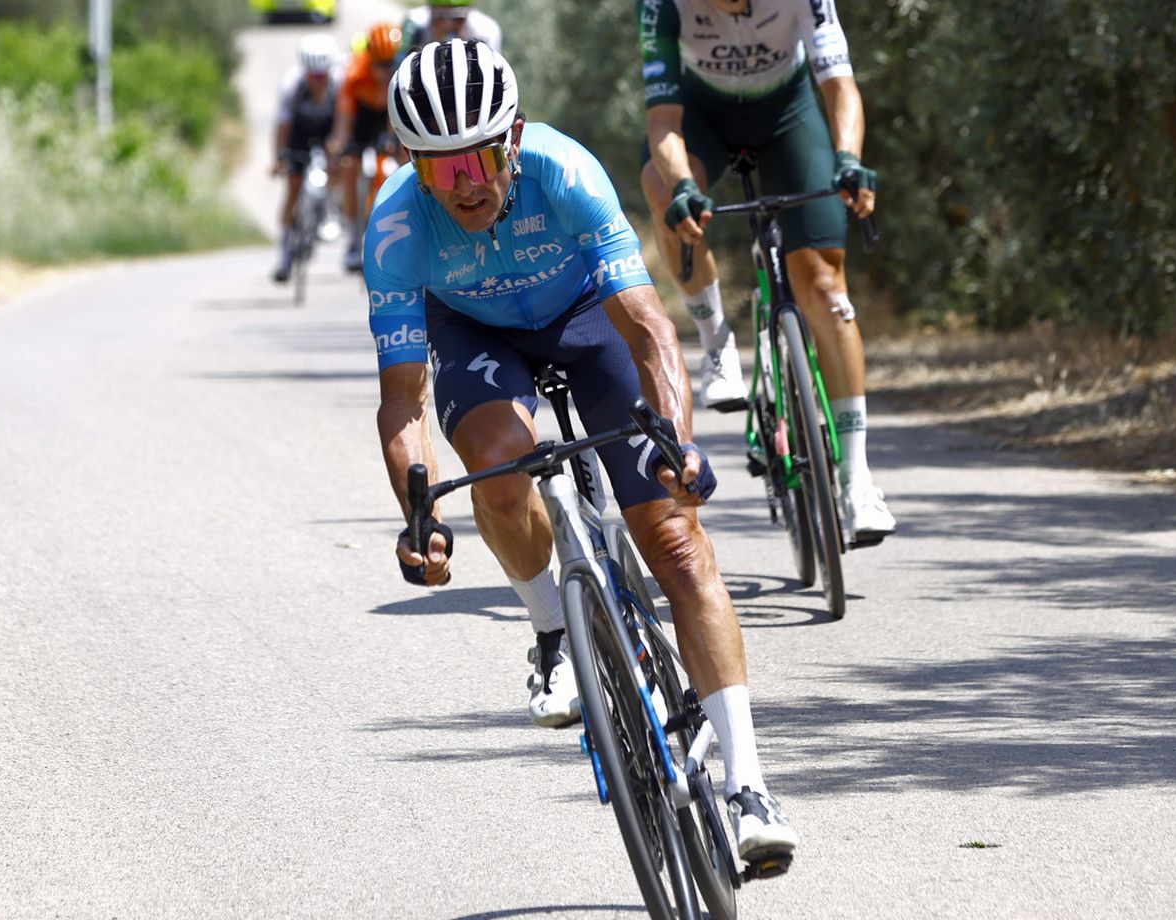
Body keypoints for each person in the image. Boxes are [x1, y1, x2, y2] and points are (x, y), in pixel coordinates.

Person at [368, 38, 798, 867]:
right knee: (498, 463)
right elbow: (401, 400)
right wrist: (419, 514)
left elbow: (648, 328)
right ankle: (554, 636)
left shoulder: (566, 173)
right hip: (473, 331)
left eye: (481, 159)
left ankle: (749, 782)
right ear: (411, 166)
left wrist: (675, 436)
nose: (466, 186)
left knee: (675, 540)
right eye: (440, 169)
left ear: (515, 139)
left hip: (584, 319)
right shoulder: (393, 226)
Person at [638, 0, 896, 542]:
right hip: (701, 113)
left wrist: (848, 158)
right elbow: (662, 119)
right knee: (663, 191)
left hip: (787, 112)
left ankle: (856, 477)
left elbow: (839, 84)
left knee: (823, 286)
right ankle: (717, 345)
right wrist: (686, 185)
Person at [327, 23, 404, 273]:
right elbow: (344, 117)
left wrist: (394, 140)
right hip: (360, 119)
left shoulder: (401, 72)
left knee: (398, 162)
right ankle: (352, 240)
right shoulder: (354, 73)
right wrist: (340, 144)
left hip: (386, 118)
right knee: (349, 168)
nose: (384, 70)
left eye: (389, 63)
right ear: (369, 58)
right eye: (379, 64)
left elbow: (399, 115)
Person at [270, 34, 339, 283]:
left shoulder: (339, 82)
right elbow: (283, 124)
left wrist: (338, 145)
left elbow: (343, 119)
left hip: (328, 129)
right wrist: (279, 157)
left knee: (337, 163)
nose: (317, 81)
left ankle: (330, 212)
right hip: (299, 131)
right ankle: (285, 253)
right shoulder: (291, 84)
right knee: (293, 188)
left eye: (321, 76)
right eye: (312, 76)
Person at [398, 0, 502, 58]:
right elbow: (398, 64)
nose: (448, 26)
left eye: (457, 19)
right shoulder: (414, 24)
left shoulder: (485, 31)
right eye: (441, 17)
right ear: (430, 11)